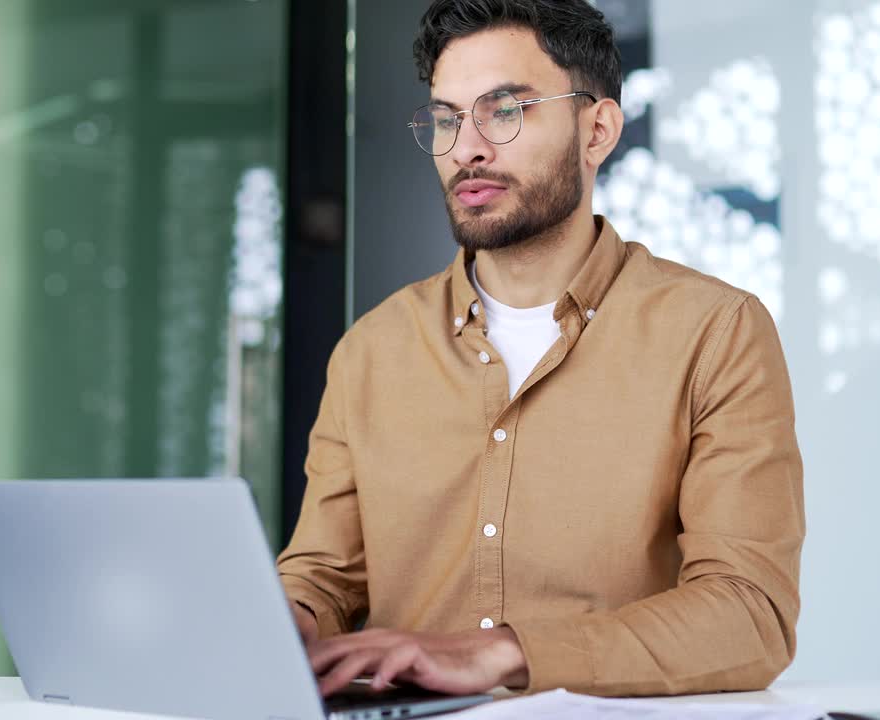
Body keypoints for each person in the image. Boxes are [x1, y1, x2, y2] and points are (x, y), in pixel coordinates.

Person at [277, 0, 805, 699]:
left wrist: (502, 654)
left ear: (598, 130)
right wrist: (285, 620)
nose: (465, 147)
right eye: (445, 118)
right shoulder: (372, 350)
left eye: (504, 112)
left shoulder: (716, 331)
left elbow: (751, 615)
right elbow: (322, 578)